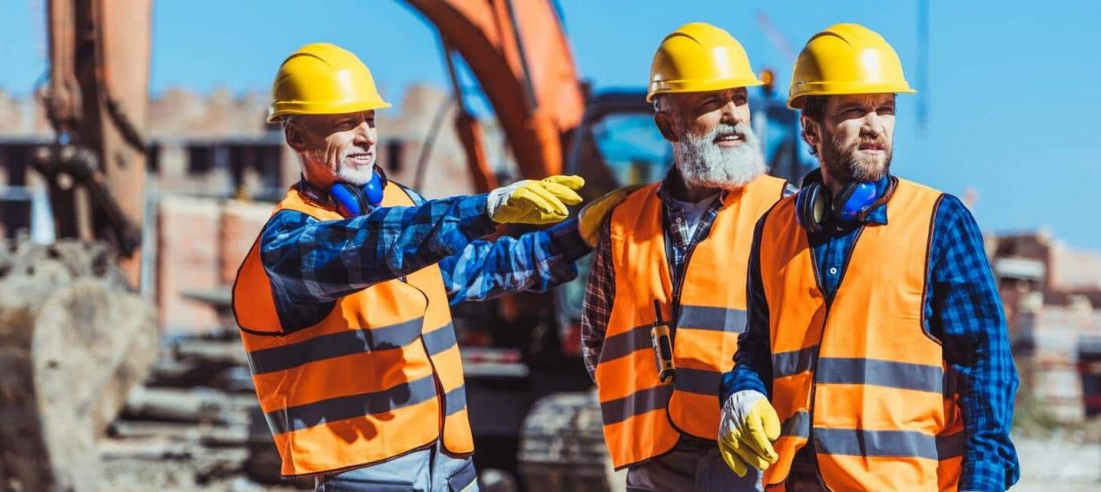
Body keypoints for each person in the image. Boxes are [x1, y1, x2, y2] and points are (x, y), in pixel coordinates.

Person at [231, 43, 615, 491]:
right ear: (297, 137)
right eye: (344, 123)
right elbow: (368, 247)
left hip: (450, 467)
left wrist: (575, 238)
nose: (366, 136)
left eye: (369, 120)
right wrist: (486, 208)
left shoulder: (403, 203)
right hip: (369, 477)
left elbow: (480, 269)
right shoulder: (289, 242)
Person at [717, 24, 1021, 491]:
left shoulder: (940, 223)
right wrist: (743, 390)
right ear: (810, 129)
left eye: (886, 109)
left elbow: (986, 370)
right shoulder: (774, 231)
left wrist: (983, 484)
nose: (874, 126)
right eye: (855, 110)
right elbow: (757, 350)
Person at [581, 23, 792, 491]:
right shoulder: (624, 222)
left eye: (739, 98)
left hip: (749, 453)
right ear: (666, 124)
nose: (734, 115)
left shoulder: (786, 210)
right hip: (656, 458)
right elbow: (599, 344)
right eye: (710, 104)